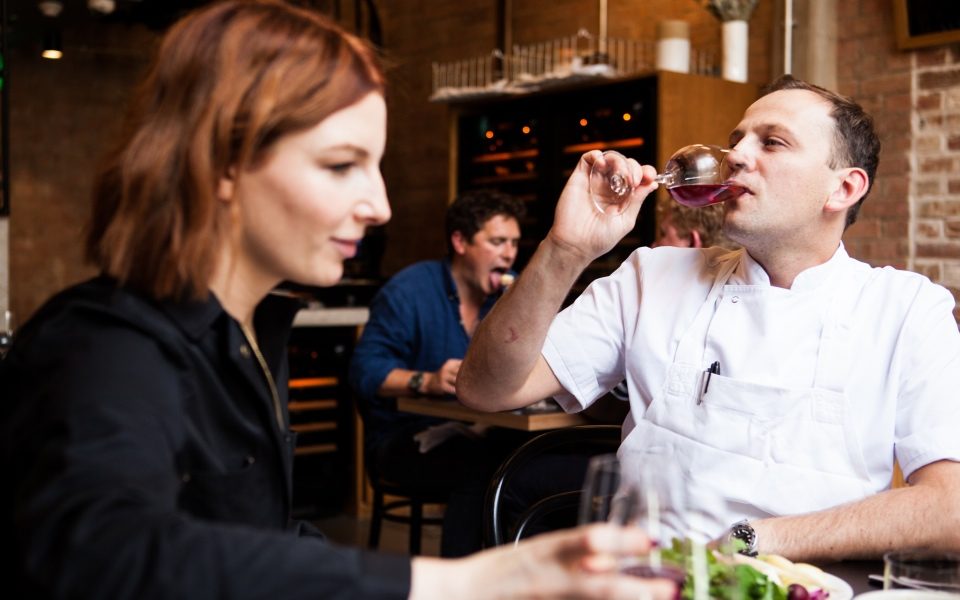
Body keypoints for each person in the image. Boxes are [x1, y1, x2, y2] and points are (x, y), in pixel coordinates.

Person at [0, 2, 679, 599]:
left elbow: (255, 537)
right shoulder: (105, 346)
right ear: (223, 163)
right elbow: (106, 556)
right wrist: (465, 582)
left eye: (374, 166)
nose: (379, 205)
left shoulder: (247, 335)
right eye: (339, 165)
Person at [458, 74, 960, 562]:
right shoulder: (650, 276)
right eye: (736, 139)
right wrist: (564, 249)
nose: (737, 155)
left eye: (773, 143)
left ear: (843, 189)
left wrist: (751, 543)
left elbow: (949, 509)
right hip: (646, 583)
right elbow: (487, 389)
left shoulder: (908, 310)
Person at [349, 190, 529, 557]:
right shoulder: (409, 291)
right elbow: (364, 371)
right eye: (497, 242)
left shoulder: (507, 301)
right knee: (482, 469)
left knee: (531, 463)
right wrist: (426, 380)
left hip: (480, 432)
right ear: (460, 241)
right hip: (402, 439)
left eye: (513, 243)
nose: (509, 254)